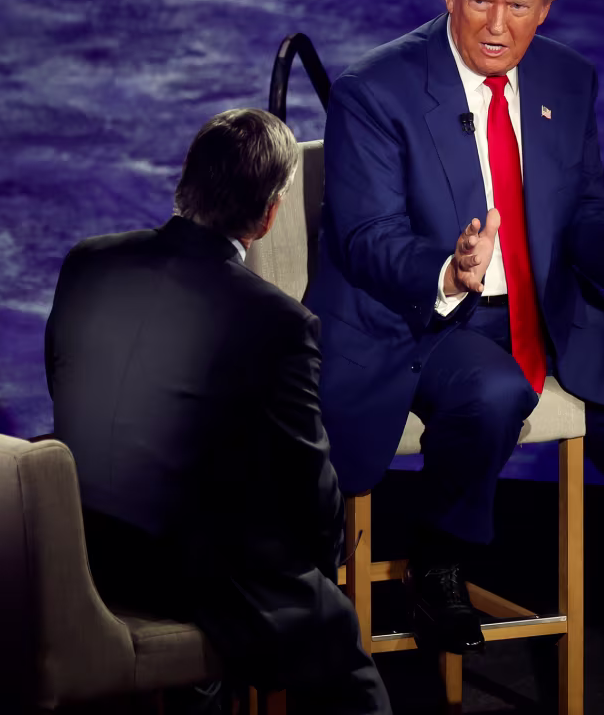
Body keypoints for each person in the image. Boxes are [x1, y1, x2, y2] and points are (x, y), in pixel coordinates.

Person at [304, 0, 604, 704]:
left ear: (546, 6)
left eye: (517, 7)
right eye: (480, 3)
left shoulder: (568, 81)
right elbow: (365, 238)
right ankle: (436, 558)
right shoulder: (377, 91)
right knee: (496, 391)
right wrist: (447, 268)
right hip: (423, 317)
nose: (497, 27)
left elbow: (583, 210)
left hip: (549, 315)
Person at [44, 109, 390, 714]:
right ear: (269, 215)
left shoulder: (87, 261)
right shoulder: (278, 321)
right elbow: (306, 480)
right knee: (342, 652)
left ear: (187, 181)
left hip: (81, 550)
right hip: (197, 579)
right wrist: (331, 554)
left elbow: (64, 389)